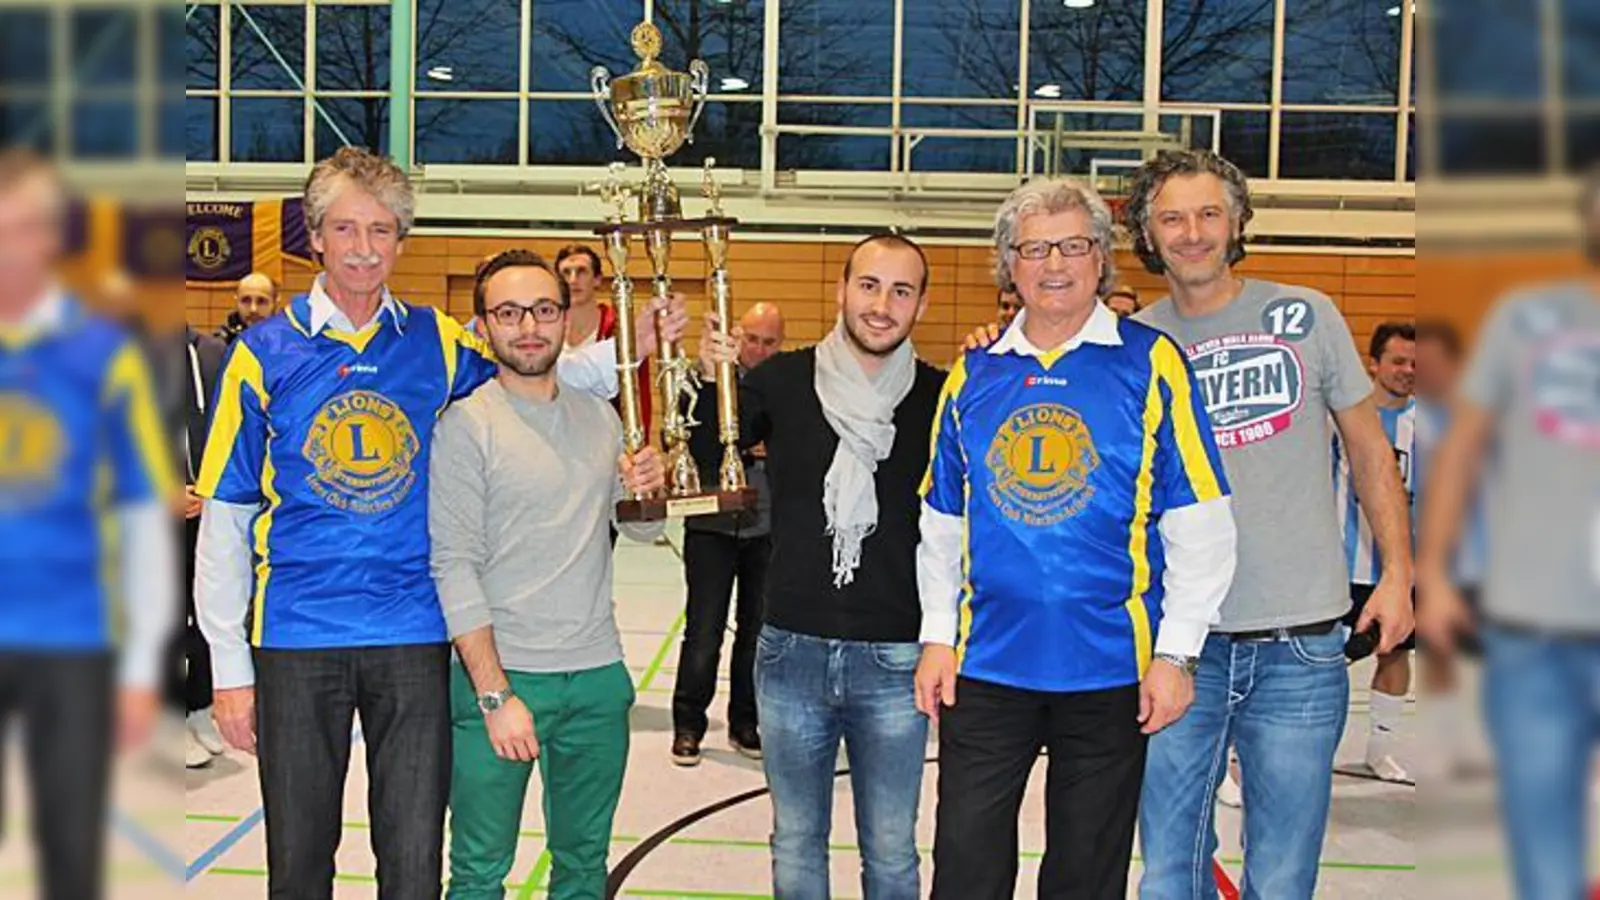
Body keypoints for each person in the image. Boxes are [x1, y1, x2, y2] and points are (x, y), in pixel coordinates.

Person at [194, 147, 687, 897]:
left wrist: (634, 350)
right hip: (298, 634)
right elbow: (227, 516)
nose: (364, 248)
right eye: (346, 229)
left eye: (382, 230)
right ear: (315, 235)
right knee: (297, 861)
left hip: (413, 635)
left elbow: (536, 366)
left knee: (415, 859)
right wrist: (229, 668)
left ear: (401, 240)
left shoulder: (436, 340)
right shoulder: (262, 352)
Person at [916, 177, 1237, 899]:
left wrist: (1177, 653)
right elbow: (941, 520)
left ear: (1102, 259)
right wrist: (939, 636)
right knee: (965, 867)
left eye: (1073, 245)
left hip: (1110, 672)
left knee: (1086, 877)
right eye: (1034, 248)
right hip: (986, 666)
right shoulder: (973, 373)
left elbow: (1201, 519)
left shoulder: (1150, 363)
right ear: (1009, 264)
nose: (1053, 263)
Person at [1121, 150, 1413, 899]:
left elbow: (1371, 451)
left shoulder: (1306, 314)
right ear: (1147, 234)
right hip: (1179, 650)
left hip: (1302, 648)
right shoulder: (1131, 345)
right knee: (1167, 874)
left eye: (1209, 213)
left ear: (1238, 221)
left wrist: (1400, 575)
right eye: (1173, 218)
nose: (1192, 233)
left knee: (1282, 877)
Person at [696, 234, 945, 900]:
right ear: (841, 290)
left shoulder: (941, 397)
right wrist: (706, 379)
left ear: (921, 303)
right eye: (869, 285)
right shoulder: (780, 380)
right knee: (797, 843)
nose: (882, 305)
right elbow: (703, 452)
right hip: (791, 654)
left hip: (896, 659)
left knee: (892, 852)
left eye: (901, 290)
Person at [429, 249, 666, 899]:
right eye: (508, 312)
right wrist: (495, 695)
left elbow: (641, 531)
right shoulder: (464, 426)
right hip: (502, 682)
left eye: (543, 309)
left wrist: (650, 488)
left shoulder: (602, 417)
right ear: (481, 325)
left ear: (568, 318)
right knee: (478, 873)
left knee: (584, 867)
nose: (528, 326)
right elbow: (453, 565)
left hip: (597, 679)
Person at [1417, 164, 1600, 900]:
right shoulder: (1528, 316)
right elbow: (1463, 445)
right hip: (1533, 625)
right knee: (1541, 836)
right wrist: (1432, 568)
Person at [0, 149, 175, 898]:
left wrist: (141, 672)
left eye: (24, 229)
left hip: (73, 638)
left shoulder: (103, 356)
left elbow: (143, 518)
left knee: (71, 856)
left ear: (52, 236)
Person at [671, 302, 784, 766]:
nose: (758, 349)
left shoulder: (787, 387)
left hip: (768, 527)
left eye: (768, 341)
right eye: (751, 339)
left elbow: (788, 445)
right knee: (704, 630)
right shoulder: (700, 381)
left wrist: (758, 446)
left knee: (757, 633)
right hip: (711, 526)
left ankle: (745, 722)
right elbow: (694, 444)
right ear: (737, 336)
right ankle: (688, 724)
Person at [1334, 321, 1416, 782]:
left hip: (1394, 568)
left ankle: (1379, 750)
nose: (1408, 370)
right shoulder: (1339, 418)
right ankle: (1241, 763)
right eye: (1398, 361)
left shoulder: (1431, 423)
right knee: (1316, 665)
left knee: (1396, 654)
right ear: (1373, 363)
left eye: (1415, 364)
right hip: (1336, 565)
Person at [181, 324, 228, 768]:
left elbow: (228, 426)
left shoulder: (212, 353)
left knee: (207, 609)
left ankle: (199, 709)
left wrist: (211, 489)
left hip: (206, 505)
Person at [556, 243, 652, 429]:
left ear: (598, 279)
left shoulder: (619, 330)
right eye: (566, 273)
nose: (573, 280)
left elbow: (639, 397)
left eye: (582, 271)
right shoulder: (546, 331)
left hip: (607, 438)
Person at [215, 271, 278, 344]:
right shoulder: (219, 346)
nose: (253, 309)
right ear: (236, 301)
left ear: (275, 302)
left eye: (261, 301)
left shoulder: (289, 344)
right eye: (246, 301)